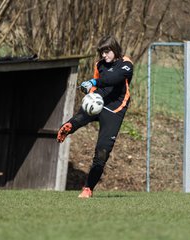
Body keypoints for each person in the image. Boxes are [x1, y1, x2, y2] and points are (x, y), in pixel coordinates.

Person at [57, 36, 133, 198]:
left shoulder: (126, 64)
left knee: (102, 152)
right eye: (102, 52)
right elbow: (97, 86)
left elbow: (114, 79)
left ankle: (88, 188)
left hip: (114, 110)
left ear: (115, 49)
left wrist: (93, 82)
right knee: (82, 114)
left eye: (107, 51)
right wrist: (89, 91)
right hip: (99, 102)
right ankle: (69, 126)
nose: (104, 55)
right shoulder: (99, 65)